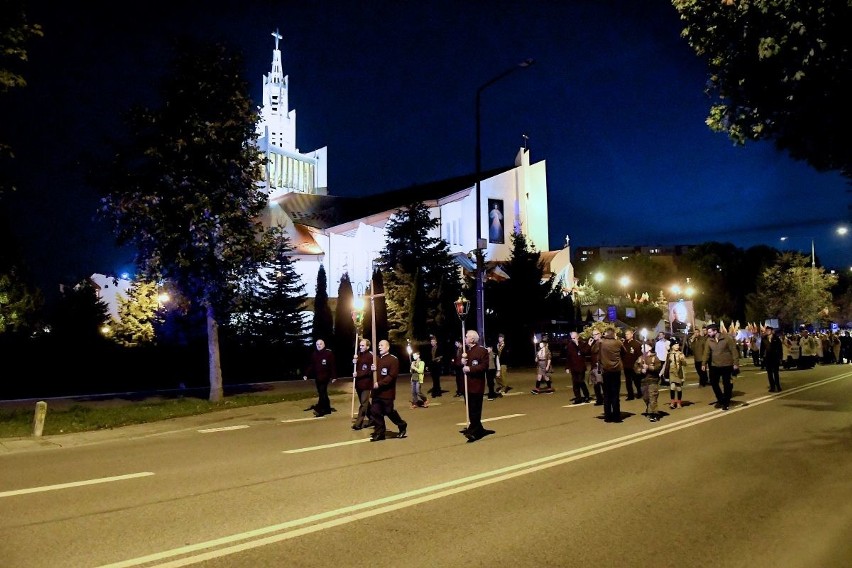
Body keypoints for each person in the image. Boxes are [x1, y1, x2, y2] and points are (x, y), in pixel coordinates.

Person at [369, 340, 408, 441]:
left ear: (388, 347)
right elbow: (372, 375)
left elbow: (392, 376)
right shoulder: (376, 359)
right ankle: (380, 432)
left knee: (388, 411)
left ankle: (402, 425)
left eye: (382, 345)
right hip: (376, 393)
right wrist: (372, 369)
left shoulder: (393, 360)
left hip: (387, 392)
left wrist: (380, 384)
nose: (380, 347)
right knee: (375, 411)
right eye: (379, 345)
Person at [460, 329, 493, 442]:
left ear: (472, 339)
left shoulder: (481, 351)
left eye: (466, 336)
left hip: (476, 386)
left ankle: (475, 431)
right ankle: (476, 428)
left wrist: (470, 368)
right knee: (470, 409)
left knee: (475, 410)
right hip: (467, 386)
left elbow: (484, 366)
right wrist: (462, 361)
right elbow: (455, 364)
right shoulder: (465, 351)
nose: (465, 338)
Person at [701, 323, 739, 411]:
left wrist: (736, 363)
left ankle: (726, 402)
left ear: (715, 331)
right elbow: (706, 353)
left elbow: (733, 350)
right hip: (715, 365)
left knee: (727, 384)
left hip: (727, 365)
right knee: (714, 383)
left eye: (710, 332)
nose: (708, 334)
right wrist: (704, 364)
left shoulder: (726, 338)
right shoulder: (709, 340)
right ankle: (720, 399)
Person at [592, 327, 627, 423]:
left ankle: (607, 416)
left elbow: (593, 351)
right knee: (615, 394)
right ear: (613, 334)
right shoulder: (618, 342)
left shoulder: (601, 342)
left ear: (606, 334)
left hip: (605, 370)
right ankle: (616, 416)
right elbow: (624, 352)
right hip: (616, 370)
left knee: (607, 394)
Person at [302, 338, 336, 417]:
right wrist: (306, 374)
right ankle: (327, 409)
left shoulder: (328, 353)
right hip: (318, 377)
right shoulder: (314, 354)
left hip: (325, 377)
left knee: (322, 393)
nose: (319, 346)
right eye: (317, 344)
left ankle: (321, 410)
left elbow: (332, 365)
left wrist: (334, 376)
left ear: (323, 345)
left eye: (320, 344)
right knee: (322, 393)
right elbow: (311, 365)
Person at [634, 342, 663, 422]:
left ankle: (654, 414)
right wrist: (640, 370)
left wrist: (649, 367)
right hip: (643, 381)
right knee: (646, 397)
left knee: (652, 397)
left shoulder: (654, 358)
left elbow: (658, 367)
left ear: (649, 348)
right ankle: (649, 409)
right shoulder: (640, 358)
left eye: (643, 347)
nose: (641, 349)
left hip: (652, 380)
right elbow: (635, 368)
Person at [351, 338, 374, 430]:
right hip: (358, 383)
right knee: (365, 403)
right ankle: (373, 418)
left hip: (366, 384)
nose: (360, 347)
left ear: (367, 346)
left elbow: (369, 371)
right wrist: (354, 362)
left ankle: (358, 423)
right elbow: (355, 368)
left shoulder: (370, 356)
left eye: (363, 345)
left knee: (363, 404)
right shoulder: (358, 355)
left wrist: (358, 374)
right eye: (360, 345)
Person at [565, 331, 591, 404]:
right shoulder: (570, 345)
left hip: (581, 367)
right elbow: (568, 357)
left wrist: (577, 345)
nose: (573, 339)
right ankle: (578, 397)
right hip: (573, 367)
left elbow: (584, 352)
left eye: (574, 338)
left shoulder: (582, 343)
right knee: (575, 383)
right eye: (572, 338)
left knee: (581, 381)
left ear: (578, 336)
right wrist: (567, 367)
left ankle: (586, 395)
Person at [622, 328, 643, 400]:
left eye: (627, 334)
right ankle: (630, 395)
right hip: (626, 365)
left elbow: (640, 355)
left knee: (636, 381)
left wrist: (639, 365)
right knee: (628, 381)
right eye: (625, 334)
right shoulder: (624, 343)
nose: (626, 336)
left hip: (634, 366)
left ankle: (639, 392)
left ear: (631, 334)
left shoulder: (636, 344)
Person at [760, 326, 784, 392]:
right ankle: (772, 387)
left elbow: (780, 348)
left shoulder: (776, 338)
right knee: (769, 374)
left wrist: (780, 357)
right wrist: (761, 357)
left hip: (775, 357)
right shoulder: (764, 339)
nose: (767, 331)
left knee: (776, 373)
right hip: (768, 358)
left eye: (769, 330)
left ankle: (778, 386)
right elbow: (762, 349)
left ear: (771, 331)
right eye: (766, 330)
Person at [666, 343, 687, 409]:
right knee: (672, 387)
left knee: (678, 388)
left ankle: (679, 402)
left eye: (678, 345)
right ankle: (672, 402)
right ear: (672, 346)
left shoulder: (681, 354)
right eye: (675, 345)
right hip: (672, 372)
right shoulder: (669, 354)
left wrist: (682, 360)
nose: (677, 346)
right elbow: (666, 364)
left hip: (679, 372)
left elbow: (685, 364)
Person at [588, 330, 604, 405]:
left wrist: (590, 345)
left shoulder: (600, 342)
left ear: (600, 334)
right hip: (594, 365)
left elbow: (594, 350)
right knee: (596, 383)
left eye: (596, 334)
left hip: (599, 366)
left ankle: (601, 399)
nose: (594, 336)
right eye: (593, 334)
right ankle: (600, 399)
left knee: (599, 383)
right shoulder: (595, 342)